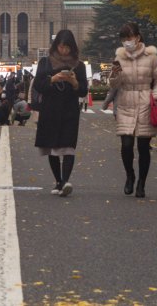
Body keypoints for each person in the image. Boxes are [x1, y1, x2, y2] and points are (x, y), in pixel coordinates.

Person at [106, 23, 157, 198]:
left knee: (144, 146)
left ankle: (142, 182)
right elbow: (113, 84)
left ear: (138, 37)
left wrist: (156, 96)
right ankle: (130, 175)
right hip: (125, 101)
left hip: (145, 101)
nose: (127, 42)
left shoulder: (152, 57)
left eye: (129, 38)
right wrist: (114, 75)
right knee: (126, 144)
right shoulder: (119, 58)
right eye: (123, 39)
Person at [33, 30, 89, 197]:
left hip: (69, 110)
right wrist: (53, 79)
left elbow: (83, 91)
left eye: (67, 47)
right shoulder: (45, 62)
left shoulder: (79, 65)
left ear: (72, 48)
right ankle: (59, 181)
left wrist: (73, 82)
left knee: (68, 146)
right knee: (52, 147)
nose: (64, 50)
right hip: (50, 110)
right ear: (56, 45)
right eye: (61, 46)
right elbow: (38, 85)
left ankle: (65, 181)